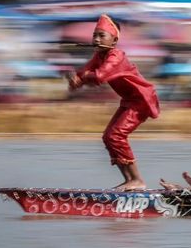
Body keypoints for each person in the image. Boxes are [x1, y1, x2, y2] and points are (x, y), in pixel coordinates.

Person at [67, 14, 159, 191]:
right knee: (108, 137)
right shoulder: (99, 55)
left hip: (141, 100)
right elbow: (84, 72)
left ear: (114, 40)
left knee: (116, 136)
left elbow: (100, 76)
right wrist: (74, 79)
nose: (96, 39)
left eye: (102, 35)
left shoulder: (116, 56)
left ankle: (137, 180)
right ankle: (130, 181)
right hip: (129, 101)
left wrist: (82, 78)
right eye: (95, 35)